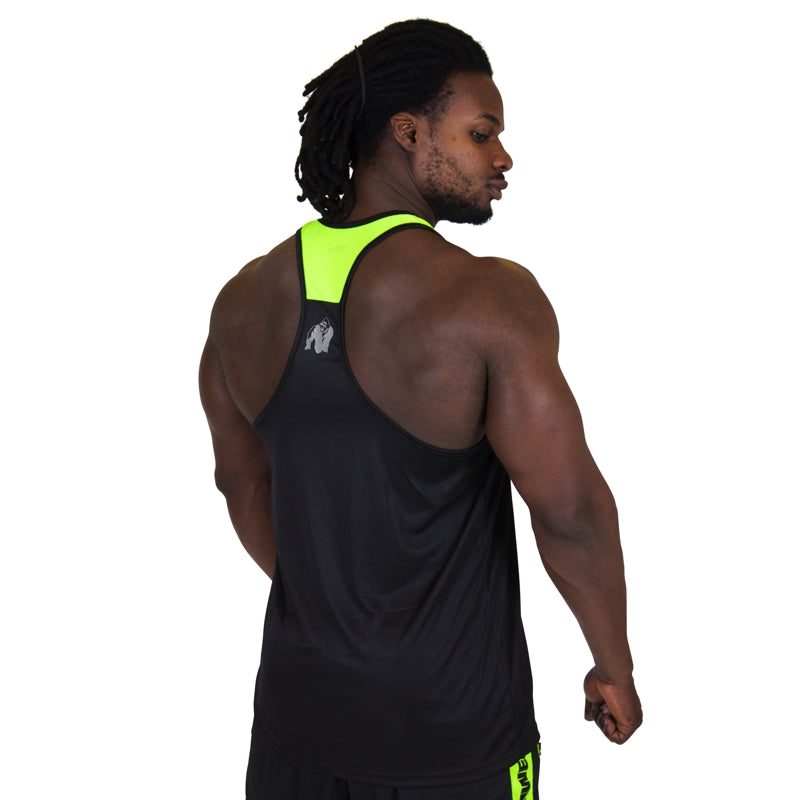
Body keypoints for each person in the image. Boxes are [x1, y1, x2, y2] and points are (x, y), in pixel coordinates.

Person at [198, 17, 642, 800]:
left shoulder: (242, 299)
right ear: (409, 133)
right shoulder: (489, 299)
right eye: (481, 133)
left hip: (297, 729)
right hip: (454, 740)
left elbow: (242, 485)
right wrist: (615, 667)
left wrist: (343, 612)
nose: (502, 158)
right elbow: (571, 515)